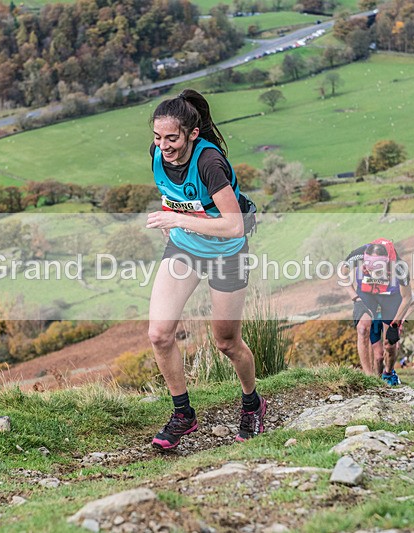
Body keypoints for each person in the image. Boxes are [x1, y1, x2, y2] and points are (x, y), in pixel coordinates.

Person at [145, 89, 265, 450]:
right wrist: (172, 219)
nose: (163, 145)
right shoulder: (157, 155)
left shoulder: (209, 163)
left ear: (192, 134)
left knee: (226, 342)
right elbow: (173, 192)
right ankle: (184, 414)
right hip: (184, 248)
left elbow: (234, 226)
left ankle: (252, 403)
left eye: (171, 138)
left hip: (228, 252)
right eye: (157, 137)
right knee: (159, 334)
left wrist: (175, 218)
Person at [340, 239, 414, 386]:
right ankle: (369, 379)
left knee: (389, 343)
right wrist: (355, 298)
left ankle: (388, 373)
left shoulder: (399, 267)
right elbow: (343, 274)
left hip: (391, 296)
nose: (374, 274)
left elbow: (407, 298)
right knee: (362, 328)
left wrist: (395, 325)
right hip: (366, 293)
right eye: (370, 269)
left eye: (379, 271)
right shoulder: (357, 255)